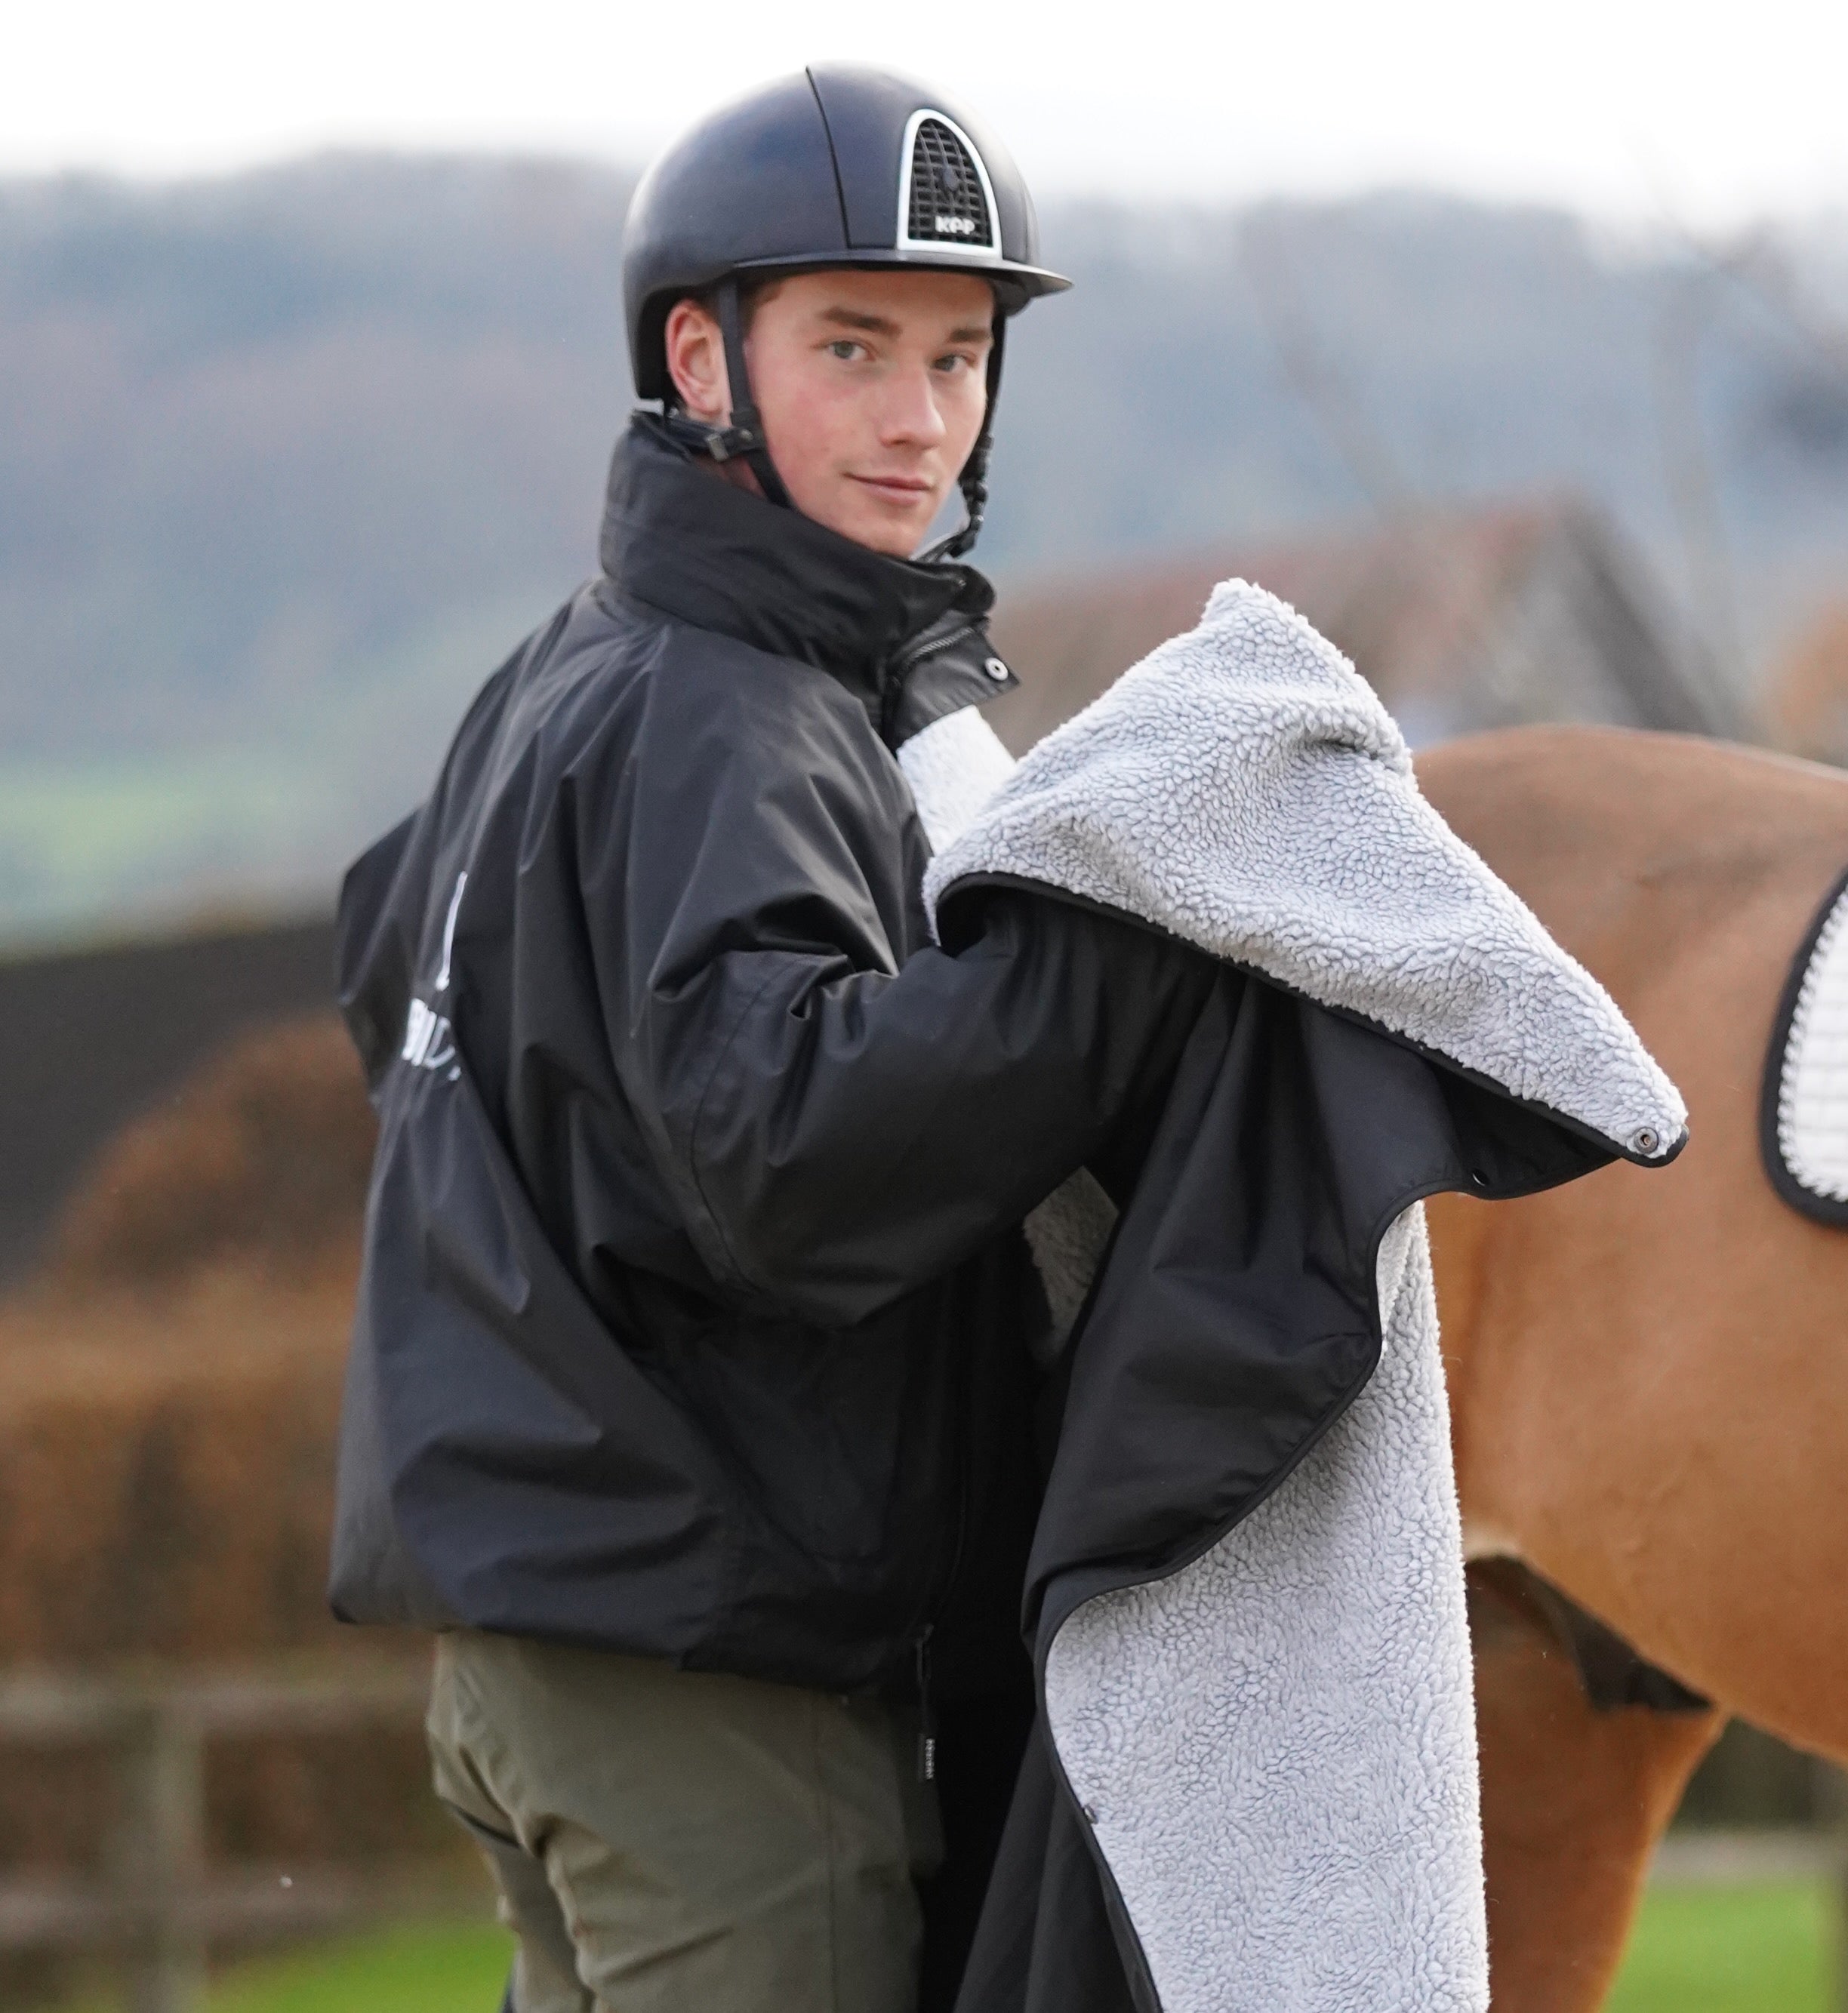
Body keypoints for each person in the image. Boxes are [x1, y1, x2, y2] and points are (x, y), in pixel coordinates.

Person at [325, 65, 1211, 2013]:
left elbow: (385, 953)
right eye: (853, 347)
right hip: (711, 1675)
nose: (919, 419)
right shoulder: (738, 709)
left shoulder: (571, 664)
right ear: (699, 359)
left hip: (537, 1646)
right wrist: (1136, 940)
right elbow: (795, 1150)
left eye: (961, 357)